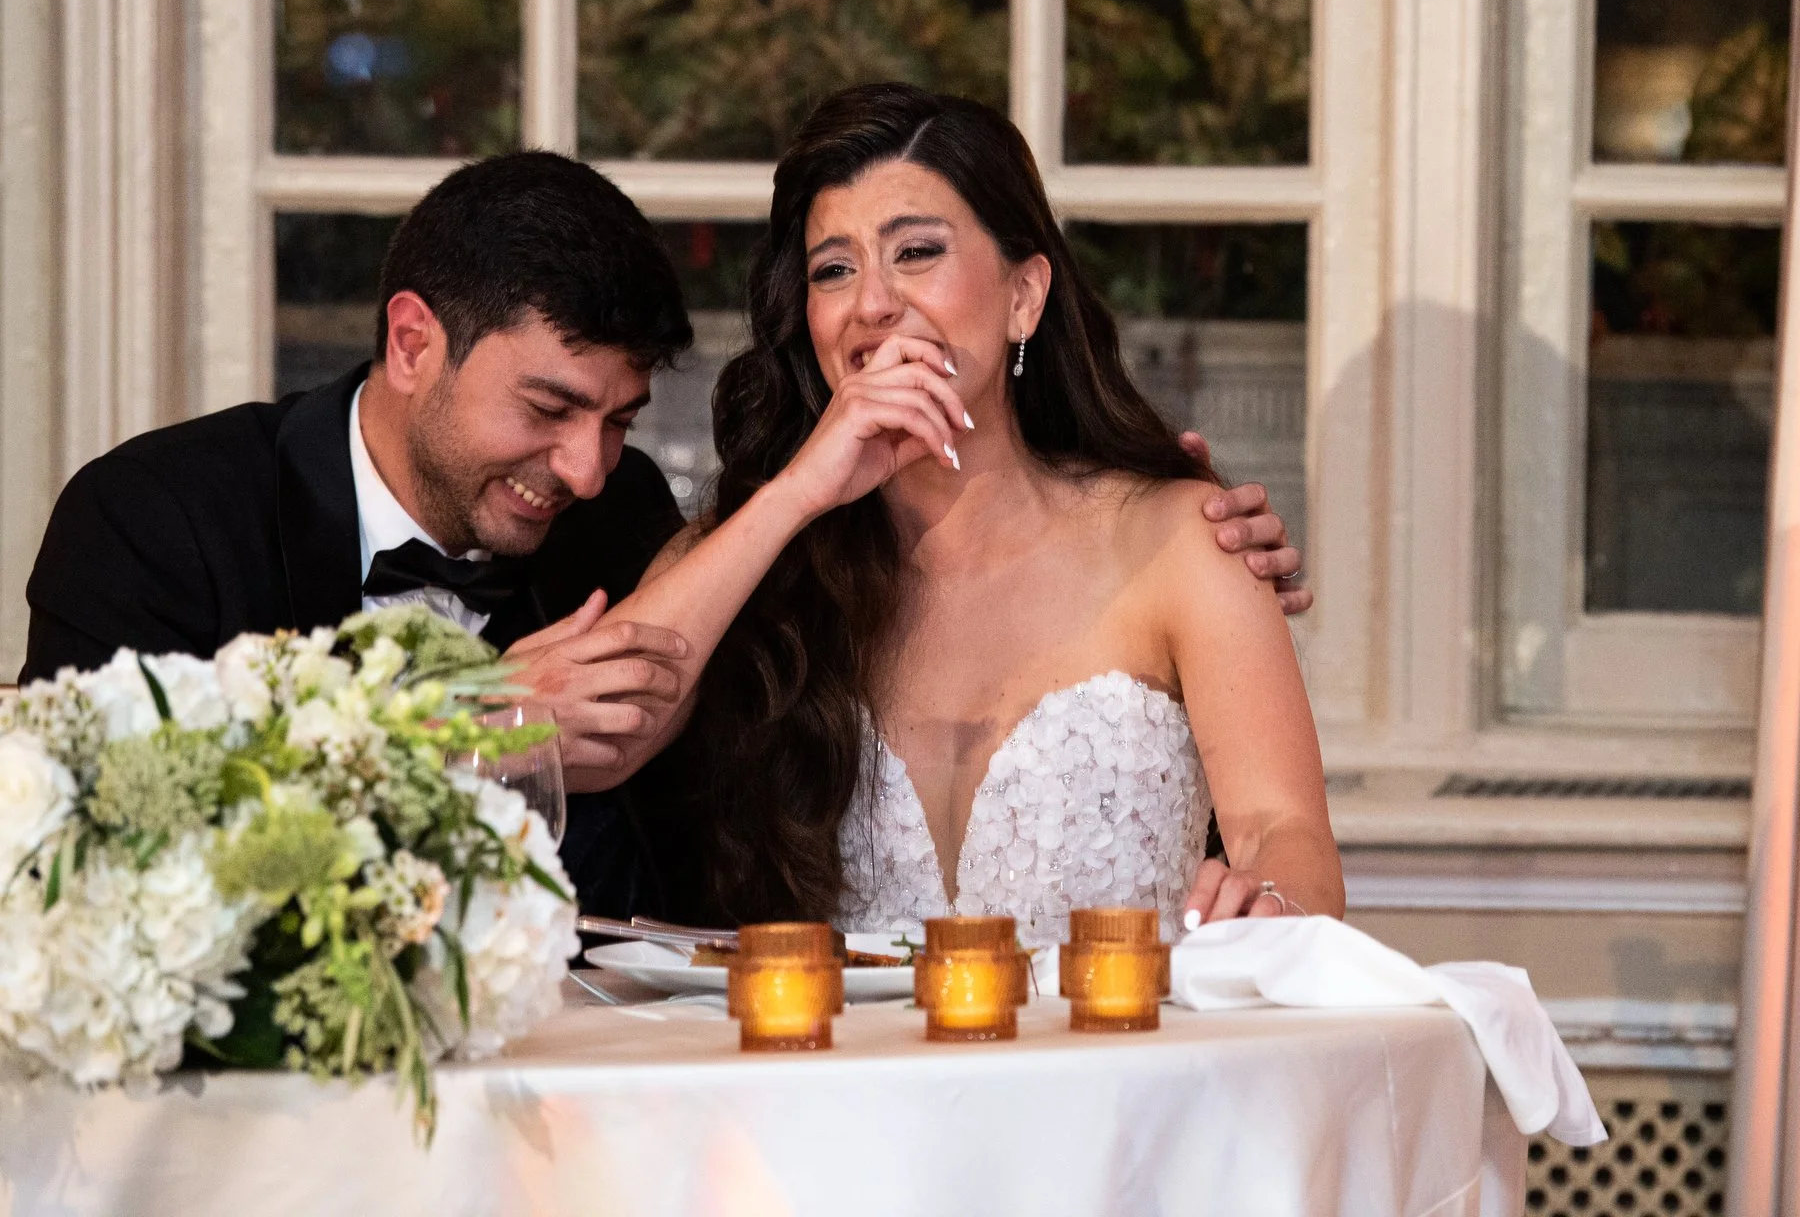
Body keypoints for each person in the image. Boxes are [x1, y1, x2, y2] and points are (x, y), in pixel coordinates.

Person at [18, 146, 1309, 924]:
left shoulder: (618, 519)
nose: (585, 468)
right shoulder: (153, 524)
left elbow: (632, 718)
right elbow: (69, 856)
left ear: (1026, 287)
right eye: (547, 408)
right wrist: (454, 725)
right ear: (412, 342)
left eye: (619, 421)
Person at [595, 85, 1343, 942]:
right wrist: (799, 494)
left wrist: (1270, 906)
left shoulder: (1184, 540)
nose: (873, 302)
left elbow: (1285, 834)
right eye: (833, 269)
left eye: (916, 252)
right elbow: (604, 733)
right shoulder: (753, 547)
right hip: (838, 1073)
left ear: (1024, 295)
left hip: (1118, 1061)